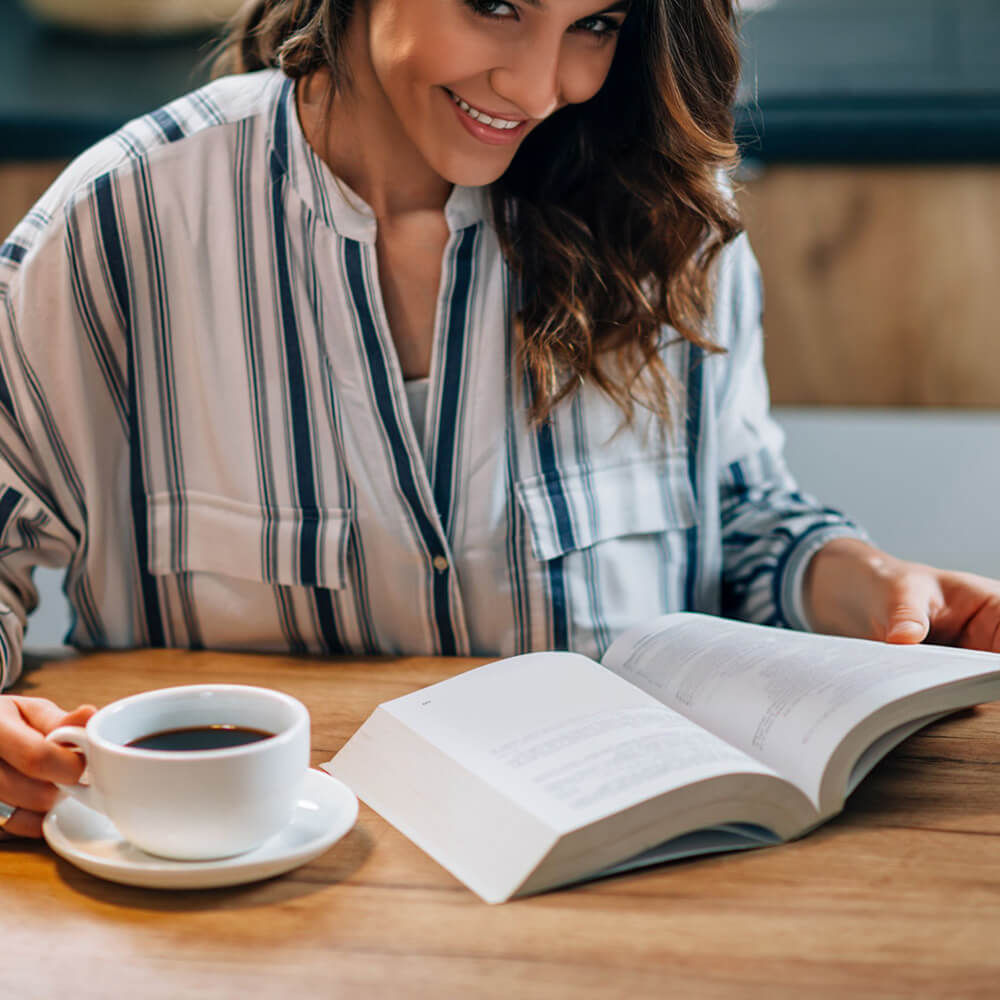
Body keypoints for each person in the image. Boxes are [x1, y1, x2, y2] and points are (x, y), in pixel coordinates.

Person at [0, 0, 998, 842]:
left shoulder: (667, 224)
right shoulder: (117, 226)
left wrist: (859, 579)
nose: (535, 86)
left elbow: (733, 511)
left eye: (595, 25)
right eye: (496, 3)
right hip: (242, 912)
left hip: (626, 899)